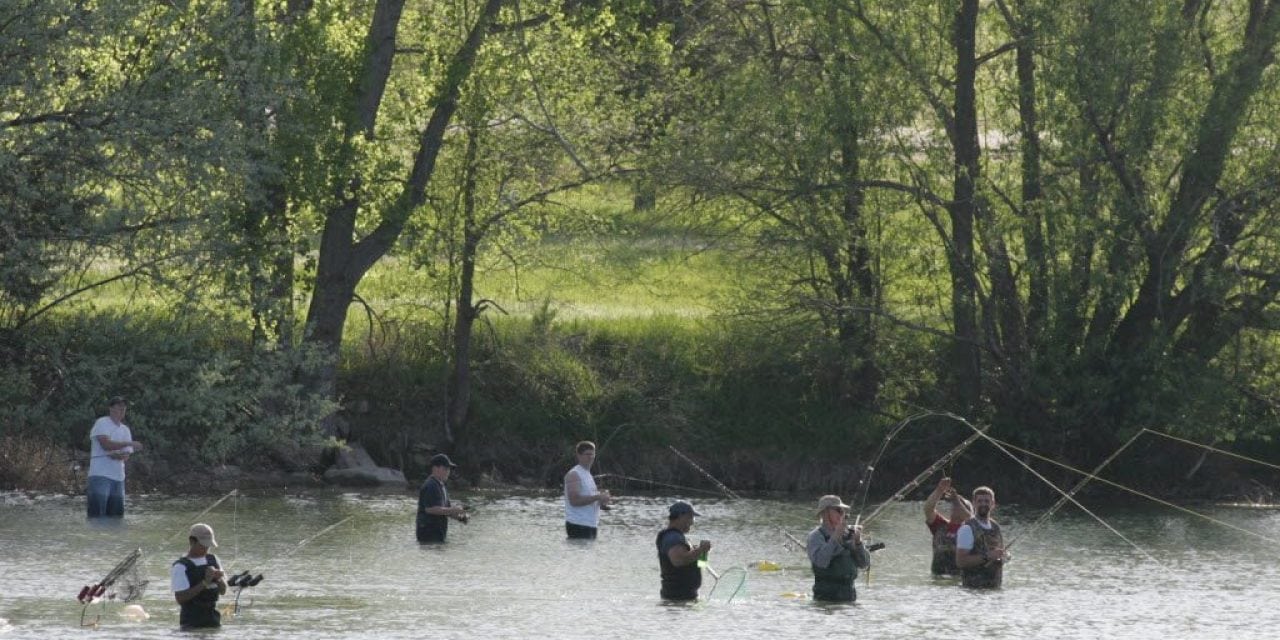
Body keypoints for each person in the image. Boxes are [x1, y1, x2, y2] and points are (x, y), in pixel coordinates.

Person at [806, 494, 871, 602]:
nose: (842, 514)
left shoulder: (847, 534)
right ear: (826, 512)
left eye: (843, 511)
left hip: (849, 596)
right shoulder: (815, 536)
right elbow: (821, 562)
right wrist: (835, 537)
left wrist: (858, 543)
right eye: (838, 510)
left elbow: (864, 564)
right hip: (825, 597)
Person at [86, 396, 143, 518]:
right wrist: (129, 443)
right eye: (118, 407)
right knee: (96, 516)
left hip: (118, 478)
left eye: (124, 408)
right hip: (100, 475)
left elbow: (126, 455)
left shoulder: (125, 430)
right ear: (111, 409)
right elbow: (106, 444)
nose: (122, 410)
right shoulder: (102, 422)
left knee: (116, 518)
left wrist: (119, 456)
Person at [171, 523, 227, 629]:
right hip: (191, 625)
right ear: (192, 541)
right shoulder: (180, 566)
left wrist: (219, 579)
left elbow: (223, 591)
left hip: (214, 622)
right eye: (202, 545)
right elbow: (180, 599)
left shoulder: (214, 559)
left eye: (208, 546)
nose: (206, 549)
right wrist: (205, 582)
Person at [656, 500, 711, 601]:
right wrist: (700, 550)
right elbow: (678, 561)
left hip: (688, 598)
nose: (692, 522)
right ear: (681, 516)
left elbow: (702, 565)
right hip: (677, 599)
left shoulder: (679, 538)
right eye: (691, 517)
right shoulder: (672, 537)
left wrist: (703, 552)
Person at [955, 486, 1006, 588]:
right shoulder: (967, 528)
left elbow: (1000, 552)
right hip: (973, 592)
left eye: (987, 501)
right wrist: (987, 556)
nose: (983, 504)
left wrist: (1005, 556)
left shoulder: (996, 527)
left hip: (994, 591)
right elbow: (961, 562)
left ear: (993, 504)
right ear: (974, 503)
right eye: (980, 501)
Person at [924, 477, 972, 576]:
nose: (955, 505)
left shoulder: (971, 529)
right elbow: (928, 509)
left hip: (959, 577)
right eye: (954, 503)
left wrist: (956, 500)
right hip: (938, 576)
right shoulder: (941, 525)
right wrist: (939, 490)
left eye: (961, 504)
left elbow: (970, 518)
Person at [563, 441, 611, 539]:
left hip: (590, 525)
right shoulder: (574, 474)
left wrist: (602, 501)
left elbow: (591, 501)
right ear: (579, 456)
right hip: (578, 524)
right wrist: (597, 496)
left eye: (592, 454)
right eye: (587, 454)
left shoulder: (588, 475)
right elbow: (574, 501)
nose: (591, 457)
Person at [416, 453, 468, 543]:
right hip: (429, 533)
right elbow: (430, 509)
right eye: (445, 469)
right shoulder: (431, 485)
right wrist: (453, 509)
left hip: (437, 533)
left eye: (449, 469)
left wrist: (460, 517)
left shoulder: (441, 485)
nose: (448, 472)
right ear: (435, 468)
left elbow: (444, 510)